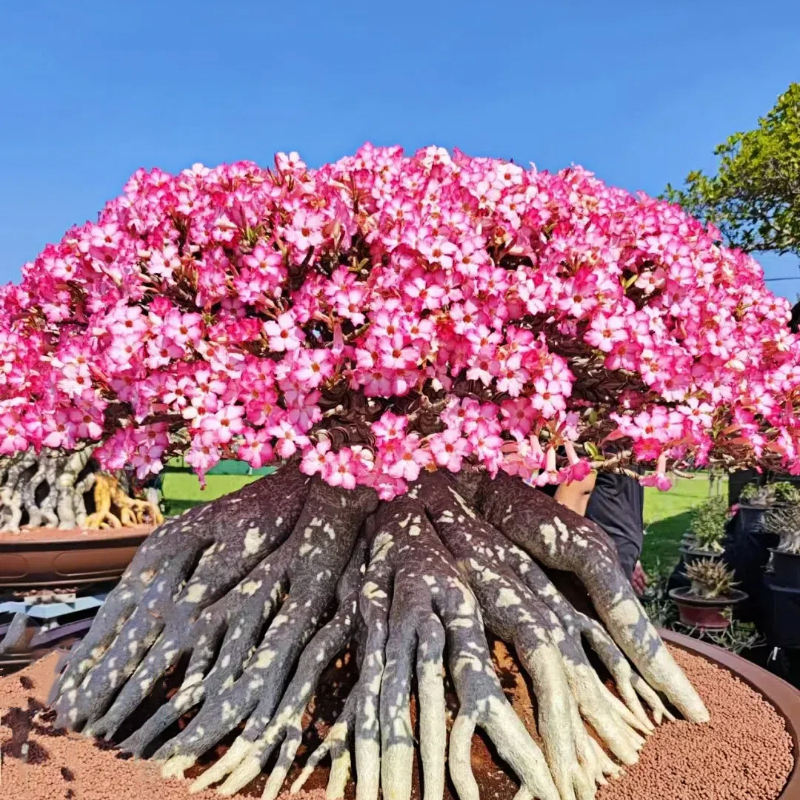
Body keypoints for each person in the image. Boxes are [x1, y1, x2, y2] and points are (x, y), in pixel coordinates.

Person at [549, 469, 648, 596]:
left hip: (612, 552)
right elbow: (574, 495)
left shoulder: (625, 451)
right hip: (590, 556)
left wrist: (632, 557)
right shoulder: (594, 450)